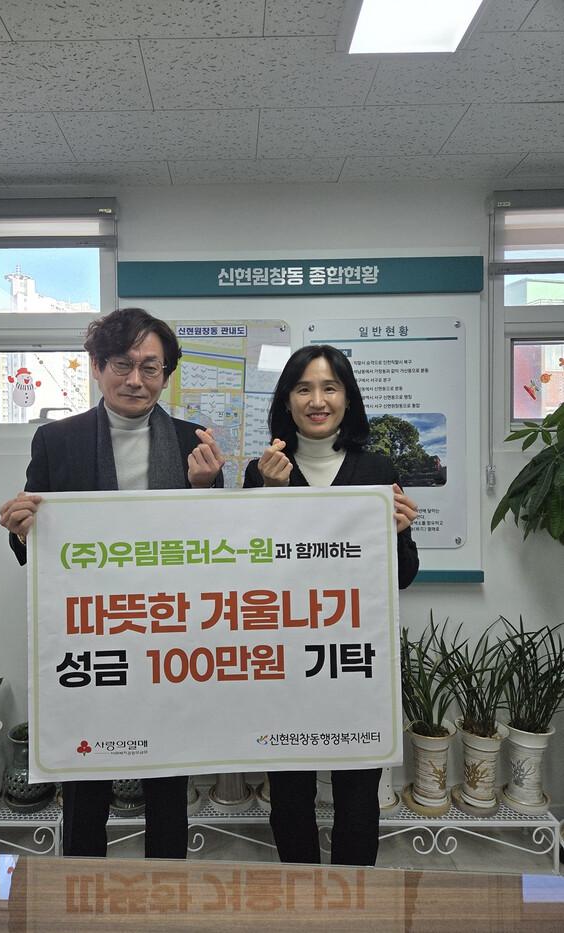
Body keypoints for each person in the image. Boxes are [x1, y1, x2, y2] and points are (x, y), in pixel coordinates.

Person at [0, 307, 225, 858]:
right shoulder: (58, 440)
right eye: (122, 364)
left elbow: (215, 551)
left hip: (169, 635)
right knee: (86, 776)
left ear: (166, 374)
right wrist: (20, 527)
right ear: (98, 367)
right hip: (91, 635)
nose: (136, 380)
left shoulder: (191, 442)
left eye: (151, 367)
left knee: (167, 775)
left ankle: (166, 885)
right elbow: (35, 545)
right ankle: (80, 882)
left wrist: (205, 489)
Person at [243, 344, 419, 867]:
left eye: (329, 388)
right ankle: (300, 896)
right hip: (285, 660)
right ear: (287, 399)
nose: (317, 401)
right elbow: (246, 578)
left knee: (358, 795)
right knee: (289, 793)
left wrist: (398, 532)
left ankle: (355, 899)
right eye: (303, 388)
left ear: (347, 398)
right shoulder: (261, 471)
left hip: (354, 661)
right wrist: (269, 495)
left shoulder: (377, 468)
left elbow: (402, 576)